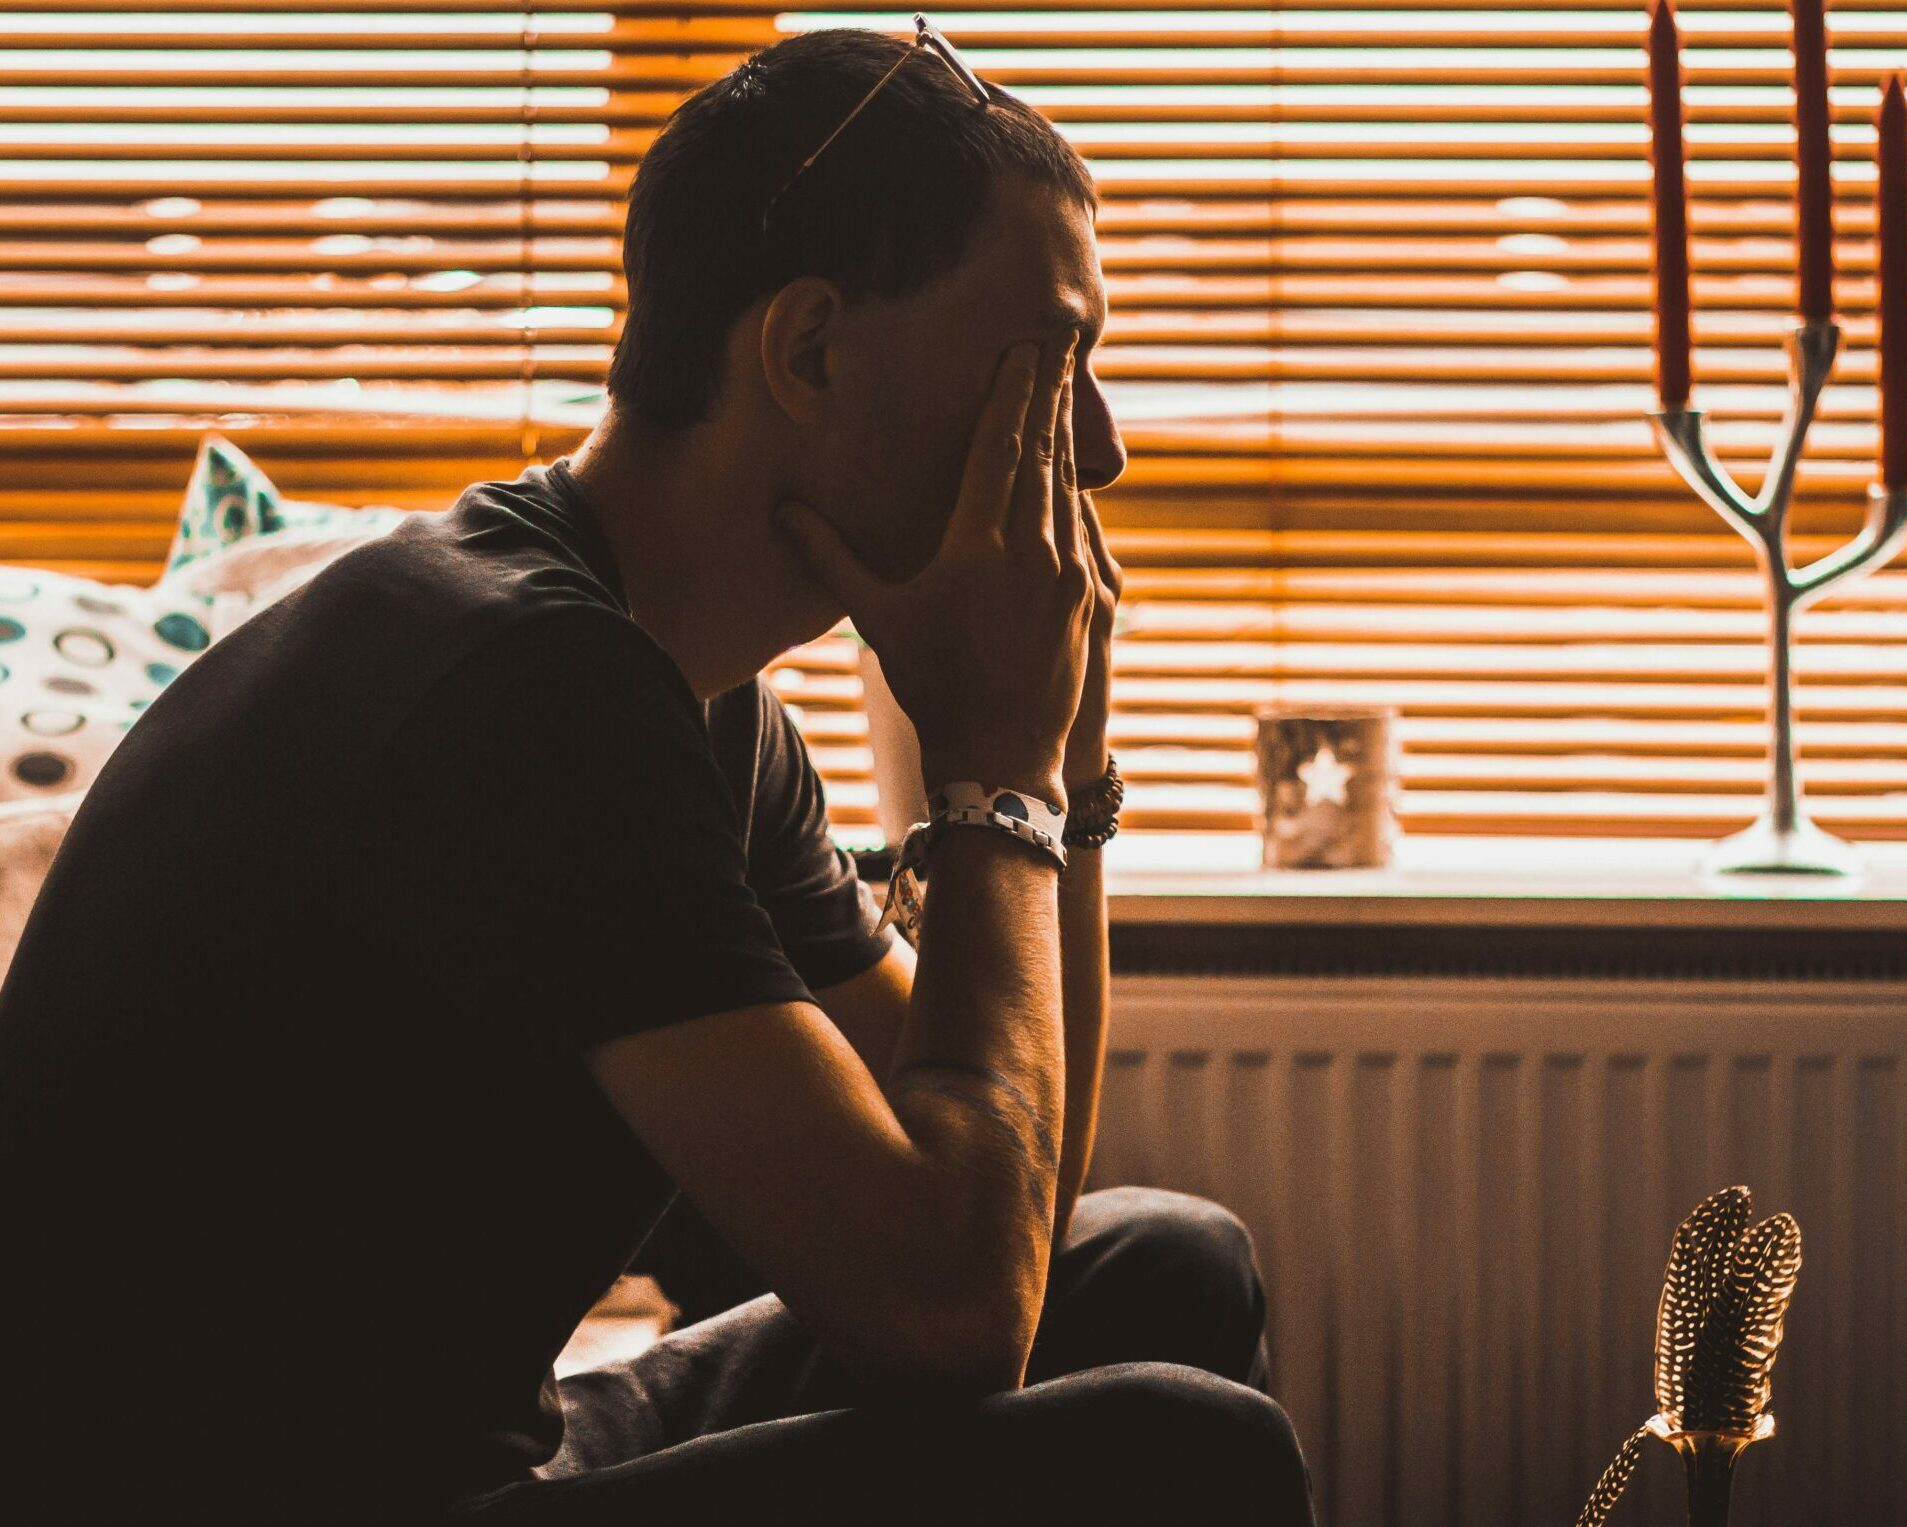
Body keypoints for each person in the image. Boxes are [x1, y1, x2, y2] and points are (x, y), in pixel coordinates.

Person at [0, 26, 1314, 1527]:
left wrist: (1060, 773)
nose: (1100, 450)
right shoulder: (520, 680)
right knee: (1185, 1445)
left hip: (489, 1454)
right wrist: (994, 776)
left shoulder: (689, 701)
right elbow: (953, 1306)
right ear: (808, 349)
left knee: (1163, 1256)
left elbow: (1000, 1204)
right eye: (1050, 361)